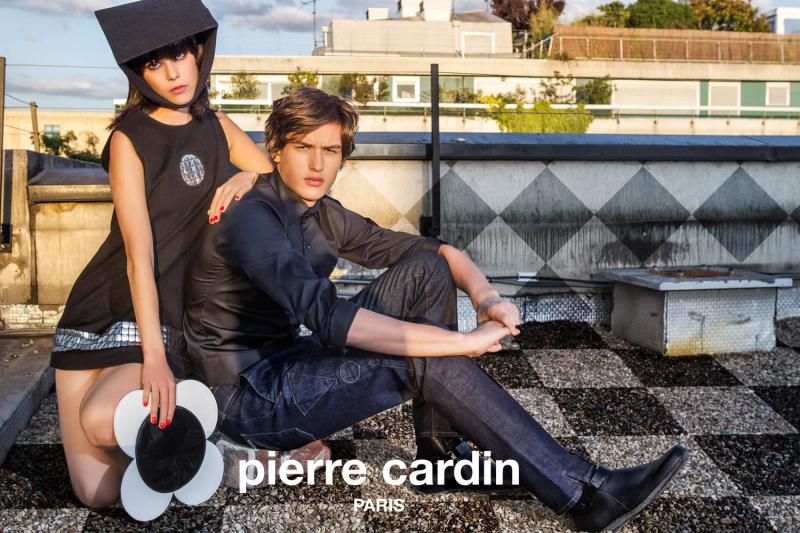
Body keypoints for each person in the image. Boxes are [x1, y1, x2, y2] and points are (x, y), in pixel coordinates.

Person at [183, 87, 688, 532]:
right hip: (247, 401)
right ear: (275, 150)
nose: (318, 164)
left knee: (427, 269)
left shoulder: (322, 214)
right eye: (303, 147)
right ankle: (583, 493)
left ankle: (441, 453)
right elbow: (330, 318)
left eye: (330, 150)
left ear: (342, 157)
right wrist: (463, 342)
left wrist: (486, 299)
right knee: (424, 357)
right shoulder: (251, 218)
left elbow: (439, 252)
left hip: (293, 361)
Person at [49, 0, 274, 508]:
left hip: (164, 317)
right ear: (139, 73)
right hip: (98, 312)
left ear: (199, 53)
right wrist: (154, 362)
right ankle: (190, 444)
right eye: (155, 63)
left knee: (102, 420)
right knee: (98, 494)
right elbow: (138, 255)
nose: (173, 72)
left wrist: (246, 177)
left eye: (179, 55)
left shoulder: (216, 127)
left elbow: (271, 178)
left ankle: (227, 454)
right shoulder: (129, 138)